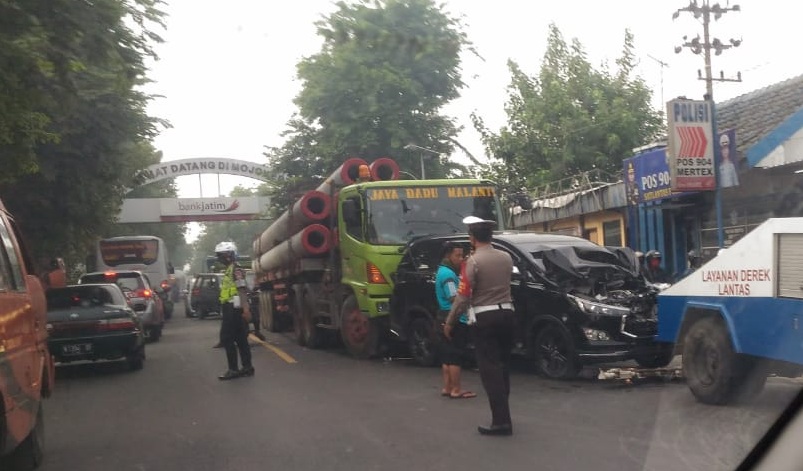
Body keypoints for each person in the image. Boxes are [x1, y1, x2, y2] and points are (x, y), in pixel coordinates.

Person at [444, 216, 515, 436]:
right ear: (491, 236)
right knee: (503, 366)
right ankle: (504, 413)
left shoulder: (472, 262)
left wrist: (450, 322)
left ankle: (501, 421)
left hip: (485, 319)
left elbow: (463, 296)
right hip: (508, 315)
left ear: (472, 238)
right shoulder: (506, 257)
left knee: (490, 369)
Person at [435, 241, 475, 399]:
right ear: (448, 255)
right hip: (453, 316)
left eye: (462, 255)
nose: (460, 259)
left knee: (447, 355)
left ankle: (447, 387)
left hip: (442, 315)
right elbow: (454, 298)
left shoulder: (442, 271)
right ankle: (456, 389)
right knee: (455, 356)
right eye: (457, 255)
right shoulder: (449, 275)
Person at [214, 241, 255, 380]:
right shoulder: (230, 269)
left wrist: (246, 309)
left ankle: (233, 369)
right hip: (232, 308)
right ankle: (247, 367)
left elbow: (242, 289)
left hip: (234, 309)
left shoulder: (235, 269)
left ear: (230, 255)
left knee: (228, 339)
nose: (220, 258)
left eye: (222, 255)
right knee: (240, 338)